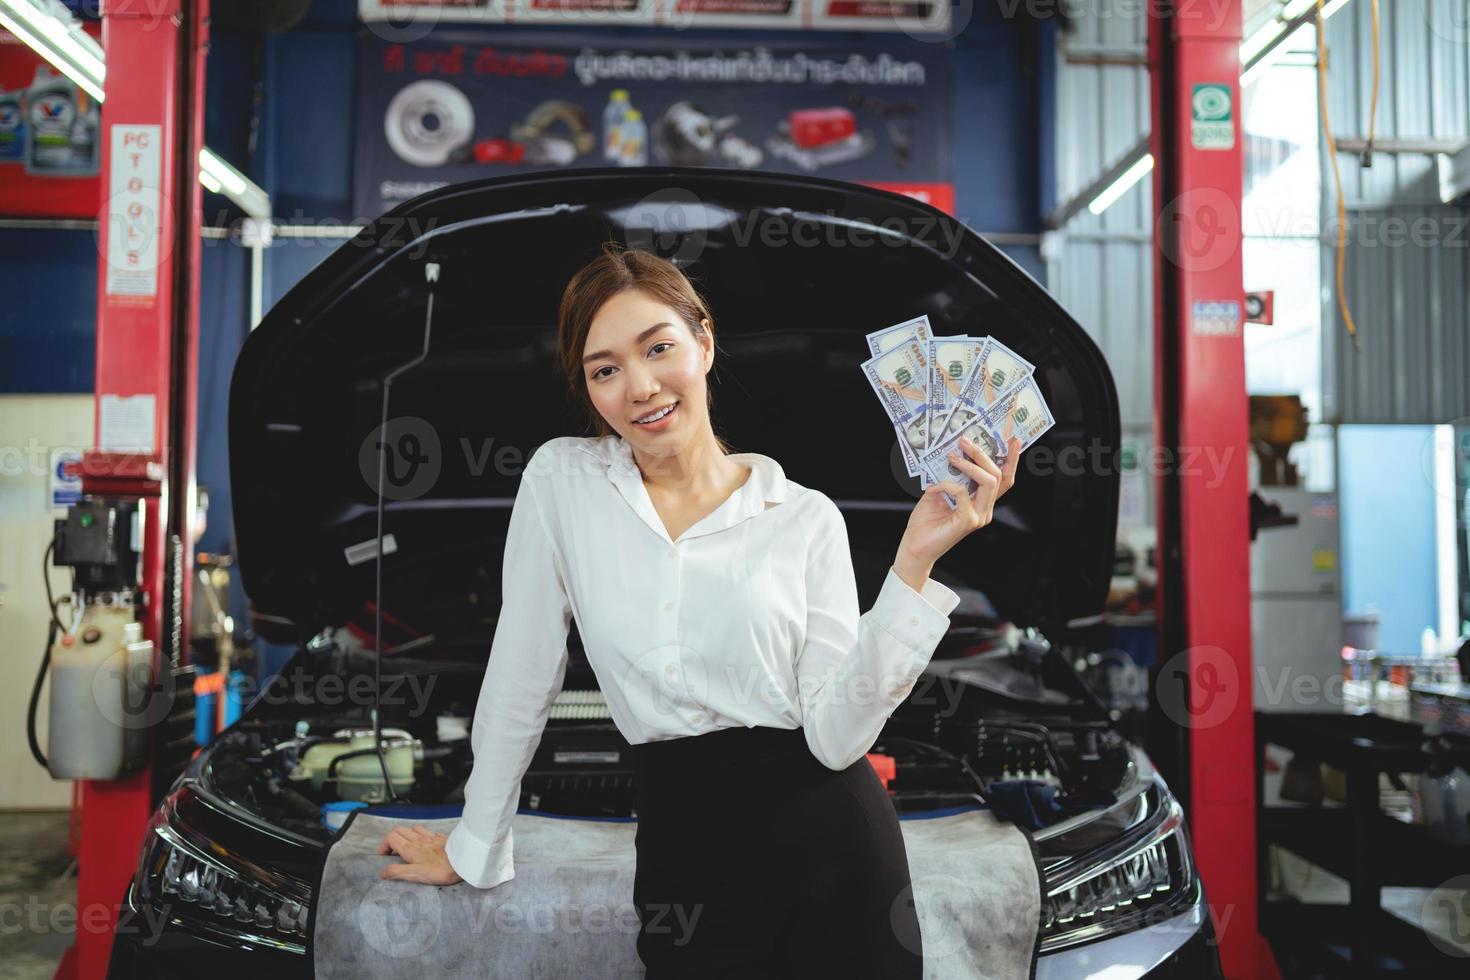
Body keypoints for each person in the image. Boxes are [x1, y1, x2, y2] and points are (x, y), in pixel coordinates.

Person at [376, 242, 1020, 978]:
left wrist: (913, 567)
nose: (641, 386)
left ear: (704, 342)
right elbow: (523, 669)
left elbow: (839, 737)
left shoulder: (805, 519)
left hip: (836, 855)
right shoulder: (562, 482)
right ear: (587, 388)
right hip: (684, 856)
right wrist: (474, 840)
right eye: (606, 369)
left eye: (659, 348)